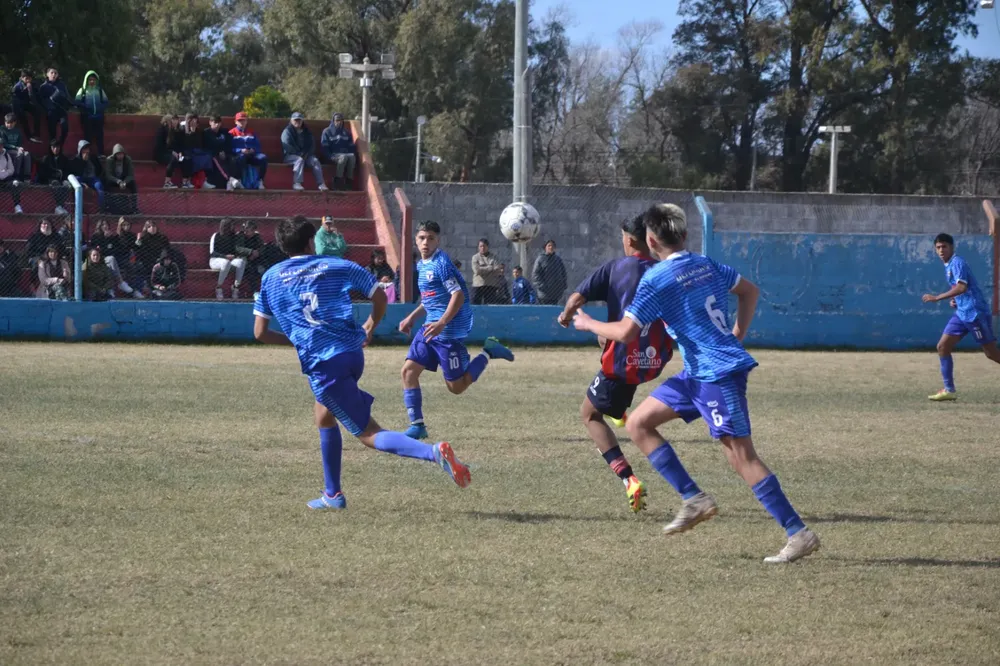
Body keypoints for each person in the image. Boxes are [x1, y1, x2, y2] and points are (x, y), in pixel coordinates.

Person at [572, 204, 819, 563]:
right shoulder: (706, 263)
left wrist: (589, 324)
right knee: (639, 423)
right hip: (697, 372)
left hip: (717, 375)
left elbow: (626, 333)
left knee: (741, 457)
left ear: (651, 241)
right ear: (684, 236)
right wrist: (737, 333)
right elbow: (749, 292)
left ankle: (798, 533)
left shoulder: (655, 279)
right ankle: (694, 499)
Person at [252, 215, 473, 510]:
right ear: (311, 242)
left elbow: (260, 332)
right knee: (324, 415)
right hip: (352, 354)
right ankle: (333, 495)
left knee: (369, 433)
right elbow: (380, 296)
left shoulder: (270, 278)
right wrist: (370, 324)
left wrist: (297, 340)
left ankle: (433, 453)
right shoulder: (339, 265)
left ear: (283, 247)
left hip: (324, 365)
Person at [558, 215, 673, 513]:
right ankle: (619, 410)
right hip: (652, 361)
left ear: (630, 240)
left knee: (589, 415)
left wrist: (566, 316)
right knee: (614, 380)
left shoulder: (614, 268)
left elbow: (575, 299)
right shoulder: (663, 271)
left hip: (622, 363)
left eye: (622, 237)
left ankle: (629, 479)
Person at [397, 220, 516, 440]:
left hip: (448, 332)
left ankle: (488, 351)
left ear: (438, 240)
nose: (426, 242)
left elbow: (458, 295)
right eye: (422, 238)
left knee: (457, 387)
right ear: (416, 239)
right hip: (429, 329)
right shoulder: (422, 264)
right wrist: (411, 317)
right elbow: (431, 298)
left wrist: (442, 322)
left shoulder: (442, 264)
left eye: (431, 238)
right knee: (408, 372)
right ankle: (417, 425)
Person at [922, 232, 1000, 400]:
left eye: (944, 246)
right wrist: (956, 301)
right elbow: (962, 290)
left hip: (974, 313)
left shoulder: (957, 262)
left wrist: (938, 298)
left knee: (992, 353)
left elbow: (962, 287)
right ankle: (949, 390)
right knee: (943, 346)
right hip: (962, 312)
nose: (941, 250)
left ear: (952, 247)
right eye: (938, 247)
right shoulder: (948, 265)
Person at [282, 112, 328, 191]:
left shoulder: (307, 132)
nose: (298, 122)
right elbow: (287, 146)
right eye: (295, 120)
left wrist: (307, 154)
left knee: (315, 161)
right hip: (290, 156)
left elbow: (312, 145)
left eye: (299, 120)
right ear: (291, 121)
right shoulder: (287, 131)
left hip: (306, 156)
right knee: (299, 160)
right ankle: (297, 183)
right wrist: (299, 154)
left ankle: (321, 184)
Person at [74, 70, 109, 157]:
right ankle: (86, 154)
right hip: (87, 117)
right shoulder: (82, 90)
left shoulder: (100, 91)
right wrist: (85, 106)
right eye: (90, 79)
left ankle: (101, 153)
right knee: (87, 136)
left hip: (98, 117)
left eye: (94, 79)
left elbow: (106, 102)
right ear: (86, 80)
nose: (92, 81)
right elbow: (76, 102)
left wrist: (101, 108)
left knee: (99, 136)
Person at [229, 112, 268, 189]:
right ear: (235, 121)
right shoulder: (231, 133)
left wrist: (253, 150)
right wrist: (240, 150)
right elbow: (229, 148)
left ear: (246, 121)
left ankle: (260, 181)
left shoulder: (252, 132)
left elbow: (258, 146)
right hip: (240, 155)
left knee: (263, 158)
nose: (242, 122)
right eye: (240, 120)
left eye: (244, 120)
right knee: (240, 157)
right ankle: (239, 180)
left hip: (252, 155)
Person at [209, 218, 246, 299]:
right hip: (215, 260)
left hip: (230, 260)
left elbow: (236, 250)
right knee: (226, 263)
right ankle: (218, 287)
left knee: (241, 262)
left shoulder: (233, 237)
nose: (233, 227)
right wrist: (225, 256)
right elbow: (212, 253)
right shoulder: (216, 235)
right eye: (231, 225)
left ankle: (236, 287)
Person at [205, 115, 241, 190]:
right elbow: (209, 146)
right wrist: (219, 152)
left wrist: (224, 152)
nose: (217, 125)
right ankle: (230, 179)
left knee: (233, 159)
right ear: (210, 123)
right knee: (218, 161)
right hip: (213, 155)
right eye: (215, 122)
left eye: (219, 123)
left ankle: (232, 181)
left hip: (225, 153)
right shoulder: (206, 133)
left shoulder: (224, 132)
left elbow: (228, 144)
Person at [320, 112, 355, 189]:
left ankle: (348, 181)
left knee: (352, 156)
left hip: (344, 154)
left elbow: (351, 147)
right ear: (333, 121)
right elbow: (324, 147)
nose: (339, 122)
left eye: (341, 120)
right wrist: (330, 157)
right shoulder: (327, 132)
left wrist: (350, 152)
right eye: (337, 120)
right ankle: (337, 181)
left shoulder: (346, 132)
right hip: (332, 155)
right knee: (343, 157)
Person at [38, 68, 71, 149]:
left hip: (61, 110)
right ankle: (52, 151)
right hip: (51, 112)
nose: (53, 74)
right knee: (52, 133)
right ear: (47, 74)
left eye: (55, 73)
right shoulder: (43, 86)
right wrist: (49, 105)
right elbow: (40, 100)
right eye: (52, 73)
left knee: (65, 128)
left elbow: (67, 97)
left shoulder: (61, 85)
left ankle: (59, 145)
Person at [36, 140, 71, 215]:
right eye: (54, 147)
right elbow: (42, 173)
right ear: (50, 148)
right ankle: (58, 206)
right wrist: (55, 174)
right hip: (49, 180)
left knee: (67, 184)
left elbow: (67, 172)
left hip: (61, 179)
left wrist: (63, 177)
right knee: (56, 183)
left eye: (57, 147)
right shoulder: (46, 158)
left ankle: (60, 206)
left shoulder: (64, 159)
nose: (56, 149)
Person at [103, 144, 138, 214]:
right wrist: (118, 181)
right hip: (114, 180)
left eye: (121, 154)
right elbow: (108, 175)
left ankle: (134, 208)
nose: (120, 156)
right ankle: (106, 207)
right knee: (106, 183)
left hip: (124, 179)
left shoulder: (128, 159)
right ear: (115, 154)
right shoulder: (109, 160)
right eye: (118, 154)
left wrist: (125, 182)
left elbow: (131, 175)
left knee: (133, 184)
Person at [134, 220, 170, 289]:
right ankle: (146, 288)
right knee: (140, 267)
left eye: (154, 226)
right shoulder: (143, 237)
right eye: (149, 227)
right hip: (145, 260)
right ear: (146, 228)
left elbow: (166, 249)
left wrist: (162, 259)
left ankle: (162, 287)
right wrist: (138, 239)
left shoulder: (162, 237)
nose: (152, 228)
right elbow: (137, 248)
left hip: (159, 259)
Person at [70, 140, 104, 210]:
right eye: (84, 149)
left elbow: (99, 169)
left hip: (92, 178)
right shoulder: (76, 159)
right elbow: (76, 172)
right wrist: (83, 161)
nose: (86, 151)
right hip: (82, 178)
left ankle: (101, 208)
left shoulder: (93, 157)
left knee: (99, 185)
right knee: (77, 180)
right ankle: (78, 207)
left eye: (87, 149)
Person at [11, 69, 43, 143]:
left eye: (29, 78)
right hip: (18, 105)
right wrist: (28, 89)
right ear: (22, 78)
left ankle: (36, 134)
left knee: (37, 112)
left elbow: (33, 98)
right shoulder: (18, 86)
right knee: (23, 117)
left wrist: (31, 89)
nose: (28, 80)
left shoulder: (32, 84)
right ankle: (29, 136)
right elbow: (15, 100)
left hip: (26, 104)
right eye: (26, 78)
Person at [532, 239, 567, 305]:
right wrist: (543, 286)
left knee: (554, 312)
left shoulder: (558, 260)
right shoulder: (541, 259)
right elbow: (535, 275)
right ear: (545, 247)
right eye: (549, 246)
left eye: (553, 246)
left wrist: (563, 286)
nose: (551, 247)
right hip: (544, 294)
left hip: (555, 293)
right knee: (545, 311)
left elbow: (563, 273)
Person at [471, 238, 505, 304]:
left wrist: (483, 269)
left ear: (487, 247)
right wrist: (490, 268)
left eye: (484, 246)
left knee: (490, 306)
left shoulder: (494, 257)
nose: (482, 248)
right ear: (478, 247)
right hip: (478, 285)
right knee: (475, 305)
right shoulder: (475, 257)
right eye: (481, 246)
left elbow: (497, 269)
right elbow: (477, 270)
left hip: (491, 286)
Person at [154, 114, 184, 188]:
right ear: (166, 122)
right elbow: (159, 147)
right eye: (171, 122)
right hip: (160, 154)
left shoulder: (172, 131)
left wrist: (179, 153)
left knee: (183, 159)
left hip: (170, 153)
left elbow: (175, 145)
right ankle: (167, 182)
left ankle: (185, 182)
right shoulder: (161, 131)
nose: (173, 123)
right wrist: (172, 152)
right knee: (173, 159)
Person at [1, 114, 31, 179]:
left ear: (15, 122)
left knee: (27, 154)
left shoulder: (18, 131)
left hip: (16, 149)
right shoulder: (2, 129)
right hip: (6, 149)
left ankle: (27, 176)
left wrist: (19, 148)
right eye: (7, 123)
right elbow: (4, 143)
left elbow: (19, 144)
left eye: (11, 123)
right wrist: (16, 148)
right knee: (19, 154)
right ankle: (16, 175)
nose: (9, 125)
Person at [0, 138, 23, 214]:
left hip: (6, 179)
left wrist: (5, 173)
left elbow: (11, 169)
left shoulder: (6, 155)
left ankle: (17, 206)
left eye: (1, 145)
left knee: (15, 183)